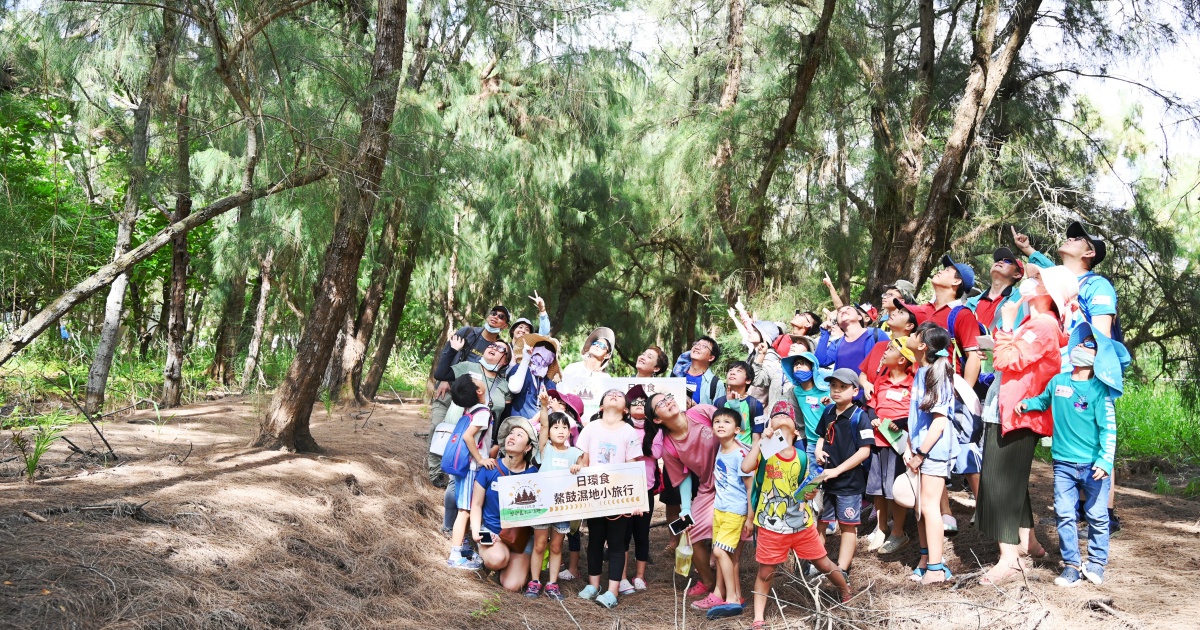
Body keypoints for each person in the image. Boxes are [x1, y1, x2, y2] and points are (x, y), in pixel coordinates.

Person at [1014, 221, 1124, 531]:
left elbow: (1101, 333)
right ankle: (1077, 509)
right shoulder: (1060, 282)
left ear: (1089, 252)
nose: (1070, 237)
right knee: (1071, 436)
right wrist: (1028, 250)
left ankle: (1105, 513)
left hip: (1090, 373)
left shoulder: (1097, 285)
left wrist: (1088, 371)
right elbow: (1048, 269)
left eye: (1077, 238)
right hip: (1063, 373)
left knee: (1097, 436)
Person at [976, 267, 1077, 585]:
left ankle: (1009, 560)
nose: (1029, 283)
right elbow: (1011, 359)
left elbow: (1005, 362)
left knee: (998, 486)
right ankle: (1029, 542)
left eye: (1038, 280)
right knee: (1013, 482)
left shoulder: (1043, 327)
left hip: (1016, 415)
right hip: (1008, 411)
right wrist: (1004, 337)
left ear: (1048, 293)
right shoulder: (1035, 324)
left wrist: (1005, 325)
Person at [1017, 324, 1115, 587]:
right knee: (1064, 513)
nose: (1079, 348)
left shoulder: (1100, 390)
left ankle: (1096, 563)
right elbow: (1043, 401)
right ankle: (1071, 565)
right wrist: (1028, 403)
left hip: (1093, 465)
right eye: (1079, 344)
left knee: (1097, 515)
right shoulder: (1058, 381)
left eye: (1087, 346)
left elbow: (1109, 428)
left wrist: (1105, 461)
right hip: (1063, 464)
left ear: (1097, 358)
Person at [744, 401, 851, 629]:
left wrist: (809, 494)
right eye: (777, 414)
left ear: (796, 431)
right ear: (770, 424)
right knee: (766, 572)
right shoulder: (765, 451)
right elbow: (745, 467)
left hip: (801, 525)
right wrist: (762, 440)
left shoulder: (802, 457)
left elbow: (803, 488)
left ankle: (844, 589)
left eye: (787, 415)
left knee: (822, 563)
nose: (782, 416)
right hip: (771, 525)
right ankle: (758, 617)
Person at [648, 393, 723, 606]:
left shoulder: (701, 413)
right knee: (690, 528)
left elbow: (733, 427)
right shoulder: (669, 446)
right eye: (660, 403)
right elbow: (683, 477)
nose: (668, 401)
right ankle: (707, 580)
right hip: (708, 487)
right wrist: (686, 508)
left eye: (668, 397)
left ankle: (727, 586)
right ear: (657, 419)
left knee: (728, 528)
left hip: (735, 481)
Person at [431, 340, 512, 531]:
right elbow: (441, 374)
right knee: (455, 481)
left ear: (505, 361)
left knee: (474, 489)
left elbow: (503, 415)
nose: (493, 347)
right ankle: (450, 528)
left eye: (501, 348)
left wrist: (497, 444)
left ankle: (467, 531)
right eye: (492, 345)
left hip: (485, 439)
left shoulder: (505, 385)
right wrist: (451, 350)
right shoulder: (469, 368)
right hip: (461, 433)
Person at [426, 306, 511, 484]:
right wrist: (446, 377)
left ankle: (454, 471)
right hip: (453, 389)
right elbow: (444, 367)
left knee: (462, 436)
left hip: (476, 410)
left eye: (501, 316)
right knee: (439, 428)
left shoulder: (502, 380)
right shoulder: (469, 333)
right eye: (493, 313)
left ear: (505, 325)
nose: (495, 317)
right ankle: (436, 474)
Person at [575, 389, 643, 609]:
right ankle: (593, 585)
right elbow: (583, 459)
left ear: (625, 409)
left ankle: (613, 590)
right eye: (609, 394)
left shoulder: (629, 431)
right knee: (594, 540)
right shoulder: (591, 428)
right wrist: (578, 467)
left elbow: (633, 465)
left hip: (618, 497)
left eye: (619, 395)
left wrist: (636, 500)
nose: (614, 395)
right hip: (594, 495)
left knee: (616, 543)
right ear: (601, 405)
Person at [904, 326, 958, 584]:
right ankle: (925, 560)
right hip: (918, 450)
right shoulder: (921, 371)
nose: (911, 337)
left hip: (933, 452)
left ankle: (937, 568)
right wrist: (908, 447)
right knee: (919, 508)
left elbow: (939, 423)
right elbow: (915, 418)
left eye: (916, 334)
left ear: (923, 345)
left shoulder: (937, 375)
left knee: (929, 506)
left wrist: (921, 453)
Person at [814, 368, 873, 574]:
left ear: (855, 391)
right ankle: (818, 564)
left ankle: (842, 569)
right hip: (827, 480)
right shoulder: (828, 411)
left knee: (848, 525)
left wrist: (838, 470)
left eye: (842, 387)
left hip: (848, 482)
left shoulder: (859, 416)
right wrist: (818, 449)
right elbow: (821, 436)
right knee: (821, 522)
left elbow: (864, 451)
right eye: (833, 386)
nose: (836, 391)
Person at [471, 416, 539, 592]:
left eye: (519, 435)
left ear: (528, 447)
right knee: (497, 559)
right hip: (491, 532)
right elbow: (476, 505)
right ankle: (489, 557)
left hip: (520, 538)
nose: (512, 437)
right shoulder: (490, 468)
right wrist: (476, 532)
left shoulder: (534, 474)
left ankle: (509, 564)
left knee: (512, 586)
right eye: (510, 433)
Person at [862, 337, 915, 555]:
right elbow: (872, 404)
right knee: (878, 489)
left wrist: (900, 423)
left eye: (891, 349)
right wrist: (873, 416)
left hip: (898, 445)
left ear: (902, 360)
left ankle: (899, 532)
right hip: (877, 442)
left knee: (895, 489)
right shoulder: (880, 381)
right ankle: (882, 527)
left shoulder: (912, 383)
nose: (885, 350)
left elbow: (914, 413)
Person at [527, 406, 583, 600]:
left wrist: (579, 466)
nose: (560, 430)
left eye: (564, 427)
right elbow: (542, 424)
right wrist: (544, 407)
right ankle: (534, 581)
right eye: (555, 426)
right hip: (543, 506)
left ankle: (552, 584)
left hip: (562, 508)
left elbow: (585, 468)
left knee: (557, 546)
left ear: (570, 431)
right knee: (540, 544)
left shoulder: (575, 452)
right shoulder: (545, 449)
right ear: (548, 432)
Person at [705, 408, 754, 619]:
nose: (721, 425)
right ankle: (737, 597)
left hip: (735, 511)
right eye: (717, 421)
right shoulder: (721, 449)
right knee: (729, 555)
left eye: (726, 422)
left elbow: (750, 487)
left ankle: (732, 599)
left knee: (719, 551)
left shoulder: (740, 453)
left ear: (737, 429)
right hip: (720, 510)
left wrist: (750, 518)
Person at [446, 374, 497, 570]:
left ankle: (465, 545)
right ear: (479, 391)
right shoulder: (482, 412)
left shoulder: (471, 409)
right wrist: (481, 459)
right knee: (465, 510)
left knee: (467, 507)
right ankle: (455, 554)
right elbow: (468, 437)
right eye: (476, 381)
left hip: (464, 466)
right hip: (471, 468)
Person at [619, 385, 662, 594]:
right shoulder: (621, 427)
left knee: (642, 533)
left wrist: (637, 450)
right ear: (626, 408)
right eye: (634, 402)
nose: (638, 405)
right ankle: (623, 577)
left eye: (642, 403)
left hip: (645, 488)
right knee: (624, 534)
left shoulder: (655, 429)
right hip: (624, 488)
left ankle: (640, 576)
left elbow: (656, 452)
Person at [779, 351, 830, 468]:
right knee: (813, 480)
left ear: (813, 368)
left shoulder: (826, 389)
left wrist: (829, 404)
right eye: (795, 364)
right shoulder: (795, 392)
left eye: (802, 363)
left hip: (830, 441)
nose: (798, 366)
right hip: (811, 442)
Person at [815, 304, 889, 373]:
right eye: (840, 312)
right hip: (842, 386)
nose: (843, 311)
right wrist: (825, 333)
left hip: (870, 386)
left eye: (848, 308)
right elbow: (820, 361)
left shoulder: (876, 334)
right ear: (838, 323)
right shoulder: (836, 344)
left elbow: (891, 361)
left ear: (860, 317)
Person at [967, 246, 1025, 332]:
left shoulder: (1021, 297)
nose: (1000, 261)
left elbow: (1048, 274)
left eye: (1008, 261)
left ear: (1016, 275)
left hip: (1004, 344)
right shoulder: (971, 302)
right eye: (998, 260)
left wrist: (1028, 249)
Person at [713, 361, 766, 448]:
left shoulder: (755, 405)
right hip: (722, 452)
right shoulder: (719, 402)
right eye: (730, 370)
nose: (732, 373)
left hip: (744, 452)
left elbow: (756, 437)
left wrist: (754, 458)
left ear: (748, 380)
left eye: (739, 371)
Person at [507, 335, 560, 420]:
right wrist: (525, 359)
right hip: (516, 425)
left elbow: (551, 411)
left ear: (551, 360)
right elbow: (514, 388)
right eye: (538, 353)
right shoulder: (520, 369)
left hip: (539, 429)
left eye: (546, 355)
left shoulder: (551, 385)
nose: (541, 357)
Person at [671, 336, 726, 406]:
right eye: (696, 344)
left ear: (711, 358)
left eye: (704, 346)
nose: (697, 347)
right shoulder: (676, 374)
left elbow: (720, 414)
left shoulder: (716, 384)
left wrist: (696, 408)